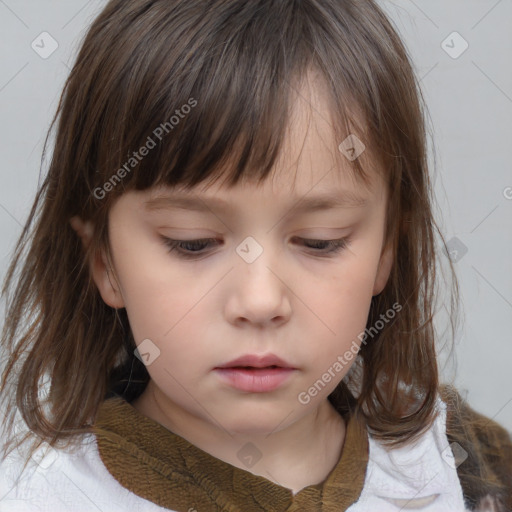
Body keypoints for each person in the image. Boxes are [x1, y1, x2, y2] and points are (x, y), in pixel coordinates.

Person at [0, 0, 510, 511]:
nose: (261, 300)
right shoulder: (39, 497)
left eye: (320, 241)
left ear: (385, 251)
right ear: (104, 261)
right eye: (192, 242)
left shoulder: (465, 469)